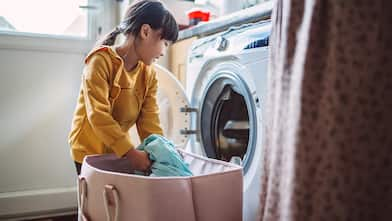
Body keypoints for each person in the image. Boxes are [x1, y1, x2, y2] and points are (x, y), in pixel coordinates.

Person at [68, 0, 178, 175]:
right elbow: (98, 114)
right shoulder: (100, 61)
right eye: (164, 42)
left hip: (118, 149)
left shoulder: (148, 75)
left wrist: (161, 150)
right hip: (87, 149)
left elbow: (149, 121)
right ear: (146, 32)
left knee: (116, 198)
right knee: (95, 199)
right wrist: (131, 153)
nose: (163, 51)